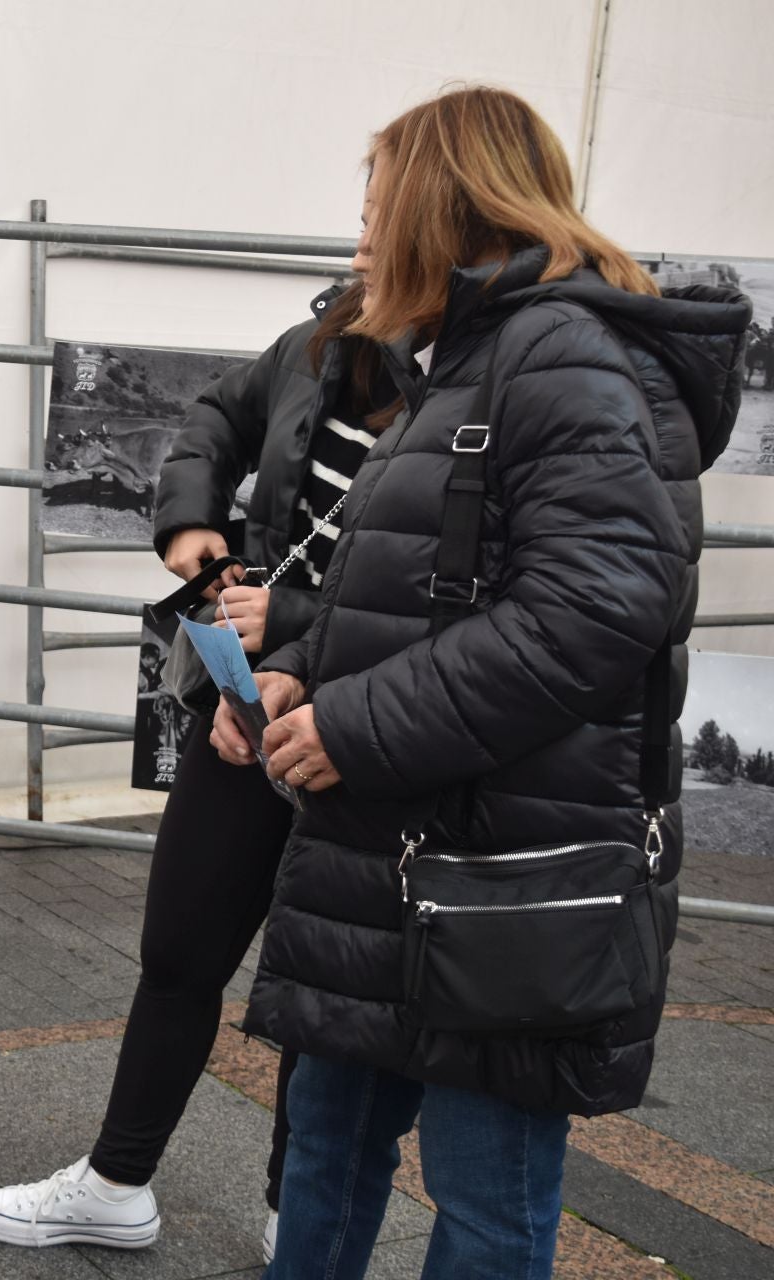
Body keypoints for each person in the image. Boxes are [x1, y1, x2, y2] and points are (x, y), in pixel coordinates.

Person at [230, 86, 747, 1278]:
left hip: (509, 874)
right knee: (327, 1149)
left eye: (375, 208)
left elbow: (597, 606)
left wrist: (353, 721)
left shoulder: (566, 358)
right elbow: (410, 582)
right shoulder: (466, 361)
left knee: (485, 1193)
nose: (358, 237)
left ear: (444, 210)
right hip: (402, 849)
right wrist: (306, 668)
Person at [0, 266, 397, 1260]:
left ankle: (302, 1205)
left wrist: (292, 626)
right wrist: (192, 515)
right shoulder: (327, 334)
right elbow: (216, 414)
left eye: (385, 208)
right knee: (179, 948)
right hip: (246, 705)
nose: (367, 233)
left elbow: (447, 590)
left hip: (369, 724)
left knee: (319, 980)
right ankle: (117, 1180)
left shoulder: (477, 373)